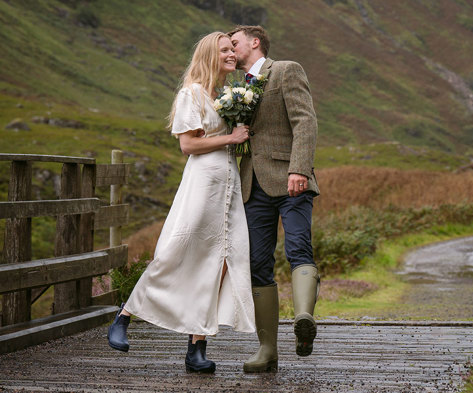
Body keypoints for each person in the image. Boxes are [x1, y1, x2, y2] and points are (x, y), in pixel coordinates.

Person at [107, 32, 255, 374]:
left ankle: (197, 347)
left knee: (219, 261)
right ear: (209, 56)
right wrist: (231, 137)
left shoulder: (225, 95)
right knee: (177, 249)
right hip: (203, 183)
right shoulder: (193, 93)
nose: (232, 54)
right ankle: (124, 316)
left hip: (228, 186)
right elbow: (188, 145)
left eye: (233, 49)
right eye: (225, 50)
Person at [228, 25, 320, 373]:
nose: (231, 49)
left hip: (291, 180)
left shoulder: (285, 70)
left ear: (254, 42)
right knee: (256, 264)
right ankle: (267, 350)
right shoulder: (236, 88)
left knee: (298, 248)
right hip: (252, 185)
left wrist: (299, 168)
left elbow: (305, 121)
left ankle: (304, 320)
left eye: (234, 43)